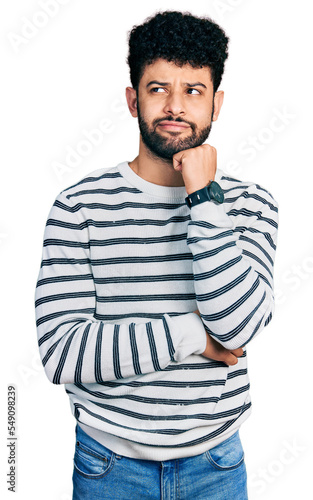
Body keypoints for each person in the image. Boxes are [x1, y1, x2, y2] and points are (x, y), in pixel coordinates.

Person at [35, 10, 278, 500]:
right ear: (132, 99)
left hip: (216, 467)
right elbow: (61, 353)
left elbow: (238, 329)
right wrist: (192, 335)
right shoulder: (80, 206)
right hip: (108, 468)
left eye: (193, 90)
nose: (175, 106)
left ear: (216, 104)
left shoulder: (250, 203)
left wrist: (204, 197)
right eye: (157, 88)